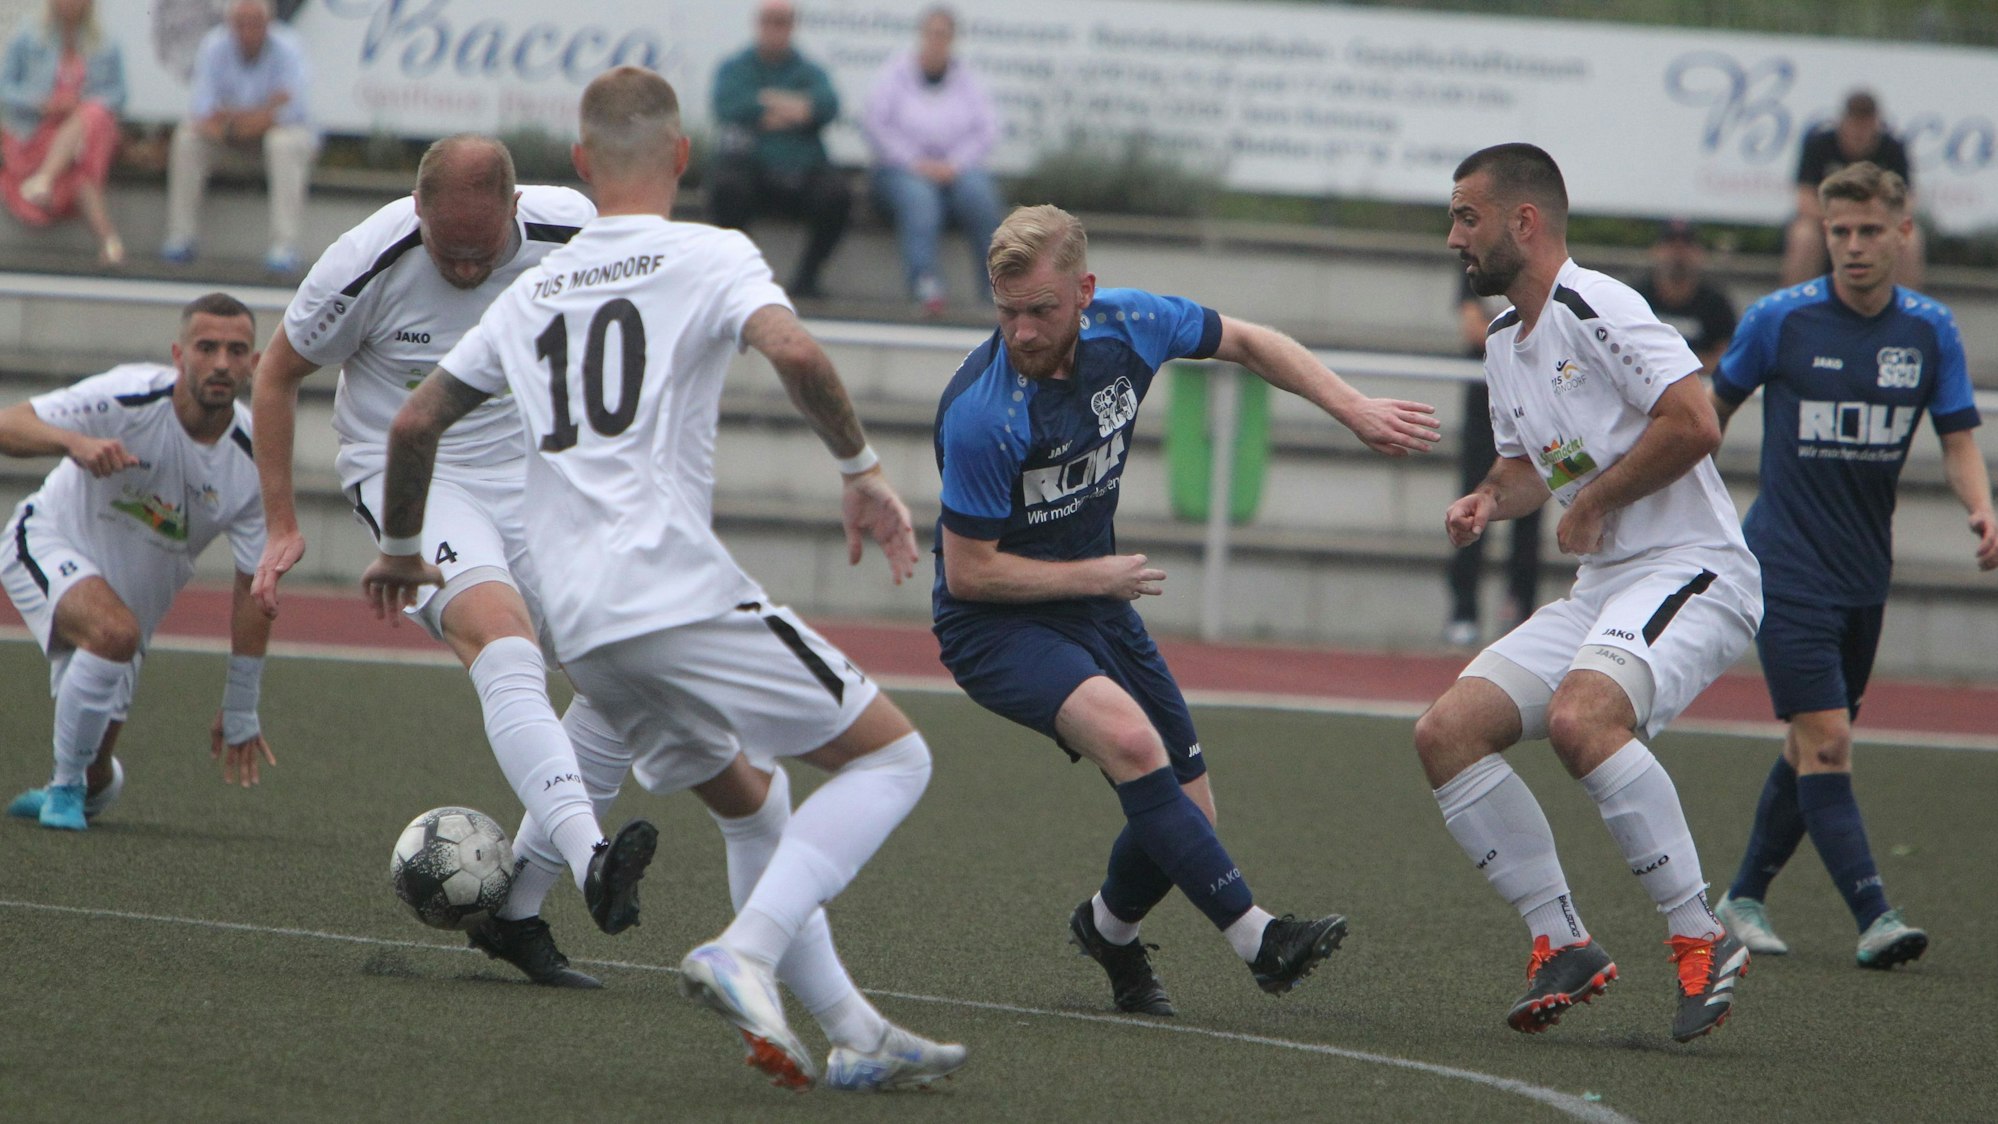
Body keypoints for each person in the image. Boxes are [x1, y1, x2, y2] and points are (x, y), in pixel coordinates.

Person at [363, 66, 962, 1092]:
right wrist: (862, 472)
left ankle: (856, 1029)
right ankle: (747, 947)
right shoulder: (710, 251)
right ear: (684, 155)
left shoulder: (535, 286)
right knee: (895, 761)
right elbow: (799, 353)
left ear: (582, 165)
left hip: (583, 628)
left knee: (749, 806)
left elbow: (414, 420)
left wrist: (401, 547)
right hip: (671, 586)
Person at [932, 203, 1440, 1016]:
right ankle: (1260, 938)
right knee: (1135, 744)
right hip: (995, 625)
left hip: (1092, 600)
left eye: (1041, 311)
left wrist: (1354, 408)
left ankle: (1107, 931)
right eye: (1006, 312)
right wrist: (1094, 575)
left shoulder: (1131, 325)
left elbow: (1246, 339)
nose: (1022, 333)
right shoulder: (982, 414)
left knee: (1190, 817)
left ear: (1085, 292)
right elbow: (969, 576)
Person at [250, 135, 659, 988]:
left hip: (533, 472)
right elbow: (277, 373)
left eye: (483, 254)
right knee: (502, 640)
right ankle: (592, 858)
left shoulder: (578, 230)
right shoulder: (365, 260)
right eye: (449, 253)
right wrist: (282, 522)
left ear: (516, 210)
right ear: (418, 213)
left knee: (628, 679)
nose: (466, 271)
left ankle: (515, 915)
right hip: (412, 475)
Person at [1420, 143, 1761, 1044]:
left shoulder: (1595, 303)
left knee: (1581, 721)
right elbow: (1538, 466)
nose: (1455, 236)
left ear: (1522, 223)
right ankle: (1561, 939)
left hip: (1696, 567)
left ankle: (1702, 934)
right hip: (1607, 584)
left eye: (1467, 216)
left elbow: (1697, 421)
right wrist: (1488, 499)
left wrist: (1599, 500)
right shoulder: (1503, 341)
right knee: (1447, 733)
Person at [1711, 161, 1995, 971]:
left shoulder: (1929, 330)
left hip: (1865, 573)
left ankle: (1742, 897)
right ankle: (1876, 915)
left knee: (1811, 745)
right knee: (1830, 740)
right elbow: (1705, 414)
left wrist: (1982, 507)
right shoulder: (1780, 320)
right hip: (1783, 564)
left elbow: (1959, 440)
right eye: (1840, 232)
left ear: (1903, 233)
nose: (1853, 247)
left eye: (1870, 231)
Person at [3, 293, 275, 830]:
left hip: (133, 605)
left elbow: (254, 583)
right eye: (207, 347)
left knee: (97, 772)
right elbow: (8, 423)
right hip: (45, 539)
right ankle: (63, 792)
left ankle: (85, 784)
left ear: (255, 364)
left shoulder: (256, 458)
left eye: (236, 350)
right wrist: (74, 443)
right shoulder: (124, 396)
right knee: (113, 634)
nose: (221, 362)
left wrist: (241, 704)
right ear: (179, 353)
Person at [861, 5, 1003, 316]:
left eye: (944, 35)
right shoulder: (894, 75)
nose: (936, 41)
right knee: (920, 200)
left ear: (953, 39)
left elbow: (986, 130)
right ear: (921, 36)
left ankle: (996, 288)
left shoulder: (968, 80)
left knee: (980, 195)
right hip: (901, 170)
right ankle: (926, 288)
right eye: (931, 33)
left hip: (956, 170)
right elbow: (876, 125)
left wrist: (955, 163)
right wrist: (915, 162)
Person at [161, 0, 316, 274]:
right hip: (231, 143)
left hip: (272, 144)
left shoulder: (288, 46)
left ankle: (285, 245)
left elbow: (290, 113)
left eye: (255, 23)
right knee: (187, 139)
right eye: (240, 23)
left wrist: (233, 119)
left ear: (269, 23)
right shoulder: (213, 45)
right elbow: (202, 113)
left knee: (283, 142)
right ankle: (180, 237)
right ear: (230, 23)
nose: (247, 31)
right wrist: (261, 114)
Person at [708, 0, 849, 299]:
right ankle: (739, 276)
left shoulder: (808, 69)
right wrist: (795, 109)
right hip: (752, 169)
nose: (776, 29)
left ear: (792, 26)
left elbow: (827, 105)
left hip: (803, 170)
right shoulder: (737, 66)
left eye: (782, 21)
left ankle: (807, 278)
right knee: (725, 187)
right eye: (770, 20)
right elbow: (728, 106)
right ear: (759, 24)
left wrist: (767, 104)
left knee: (837, 194)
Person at [1444, 271, 1542, 648]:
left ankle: (1520, 607)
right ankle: (1464, 609)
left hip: (1533, 400)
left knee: (1530, 512)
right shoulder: (1474, 267)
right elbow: (1473, 330)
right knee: (1474, 499)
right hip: (1484, 408)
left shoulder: (1538, 273)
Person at [0, 0, 126, 264]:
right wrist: (41, 103)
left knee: (92, 113)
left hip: (87, 136)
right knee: (81, 173)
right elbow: (5, 87)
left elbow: (118, 94)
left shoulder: (106, 44)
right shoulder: (28, 37)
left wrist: (80, 104)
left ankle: (45, 179)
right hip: (36, 134)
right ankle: (109, 240)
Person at [1782, 90, 1922, 289]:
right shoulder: (1819, 144)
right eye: (1855, 124)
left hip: (1876, 221)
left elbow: (1907, 199)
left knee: (1911, 240)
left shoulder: (1892, 148)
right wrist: (1840, 218)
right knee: (1804, 236)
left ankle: (1905, 309)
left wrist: (1878, 219)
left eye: (1866, 126)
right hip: (1827, 220)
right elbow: (1805, 197)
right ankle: (1796, 304)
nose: (1860, 133)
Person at [1634, 219, 1737, 378]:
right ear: (1655, 250)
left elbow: (1728, 359)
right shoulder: (1636, 297)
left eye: (1686, 245)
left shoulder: (1716, 303)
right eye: (1670, 244)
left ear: (1699, 253)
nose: (1678, 253)